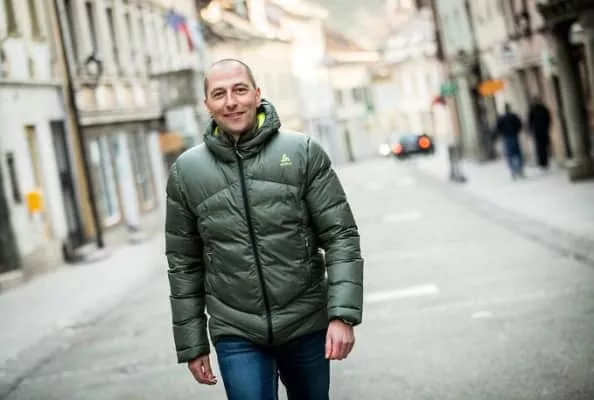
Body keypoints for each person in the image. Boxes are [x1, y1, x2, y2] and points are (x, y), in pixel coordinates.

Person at [165, 58, 364, 400]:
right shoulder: (187, 172)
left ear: (257, 95)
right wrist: (192, 344)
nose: (231, 101)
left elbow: (340, 236)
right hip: (236, 330)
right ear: (207, 104)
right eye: (219, 94)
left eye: (240, 90)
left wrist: (342, 316)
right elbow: (184, 264)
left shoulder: (301, 152)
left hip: (305, 322)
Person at [495, 103, 525, 180]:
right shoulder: (514, 116)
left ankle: (513, 171)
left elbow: (498, 128)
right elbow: (520, 125)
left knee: (510, 155)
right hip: (514, 137)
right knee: (518, 154)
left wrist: (500, 135)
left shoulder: (502, 118)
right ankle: (520, 170)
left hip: (507, 138)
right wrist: (516, 132)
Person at [527, 97, 552, 169]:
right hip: (542, 130)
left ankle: (543, 162)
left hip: (539, 131)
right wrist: (547, 127)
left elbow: (530, 121)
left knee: (541, 146)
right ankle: (544, 162)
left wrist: (530, 130)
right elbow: (548, 119)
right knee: (543, 146)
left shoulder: (534, 109)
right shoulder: (541, 109)